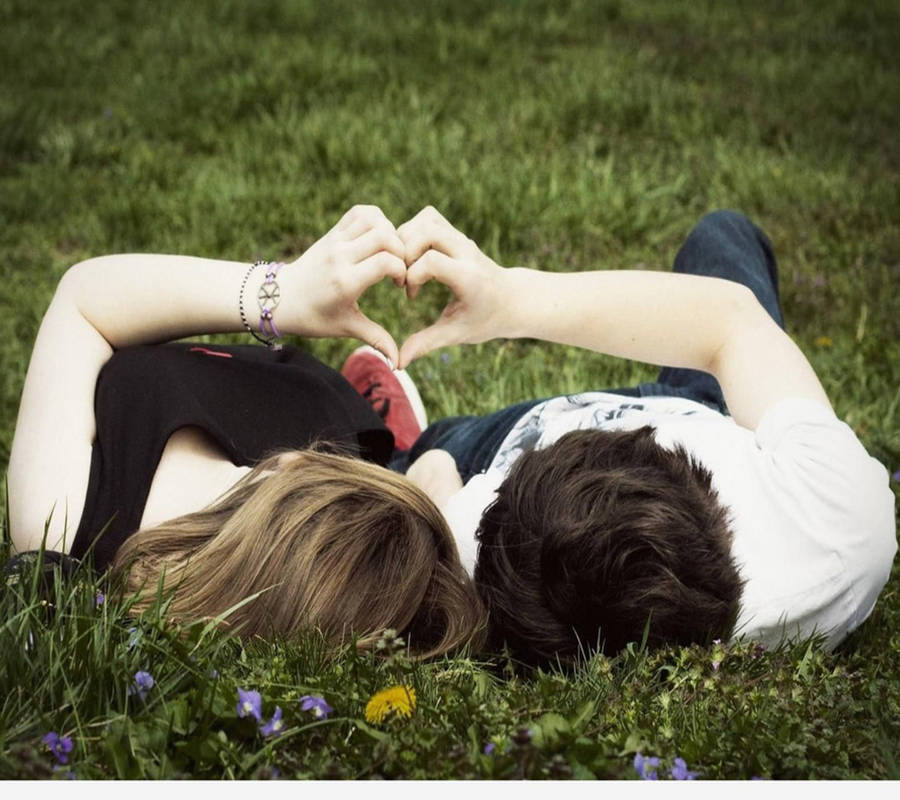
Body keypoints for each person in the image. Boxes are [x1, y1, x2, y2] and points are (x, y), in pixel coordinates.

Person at [387, 206, 897, 667]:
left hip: (512, 453)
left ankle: (388, 437)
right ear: (688, 470)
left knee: (429, 450)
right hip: (715, 415)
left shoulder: (485, 551)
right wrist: (509, 298)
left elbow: (435, 472)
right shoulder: (841, 522)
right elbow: (732, 320)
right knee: (724, 232)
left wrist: (425, 465)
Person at [6, 205, 484, 659]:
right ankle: (406, 458)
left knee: (431, 468)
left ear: (295, 467)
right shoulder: (330, 556)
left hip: (335, 445)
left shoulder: (60, 519)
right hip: (352, 440)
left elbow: (81, 303)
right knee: (434, 466)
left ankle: (406, 461)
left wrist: (278, 293)